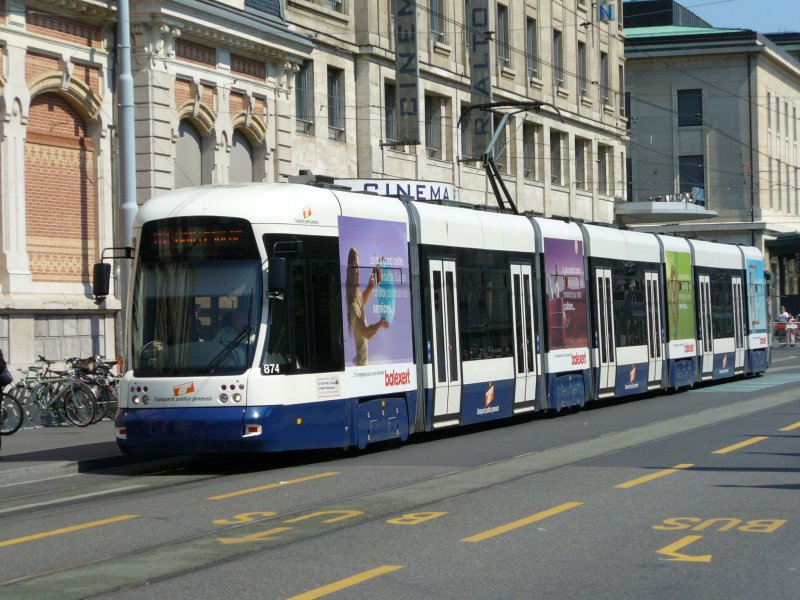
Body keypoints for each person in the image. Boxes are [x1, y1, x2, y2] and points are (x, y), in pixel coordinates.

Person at [346, 247, 389, 366]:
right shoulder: (352, 305)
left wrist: (373, 281)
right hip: (361, 367)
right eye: (355, 267)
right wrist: (380, 323)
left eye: (358, 267)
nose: (358, 271)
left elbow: (363, 299)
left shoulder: (355, 295)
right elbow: (366, 333)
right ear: (350, 271)